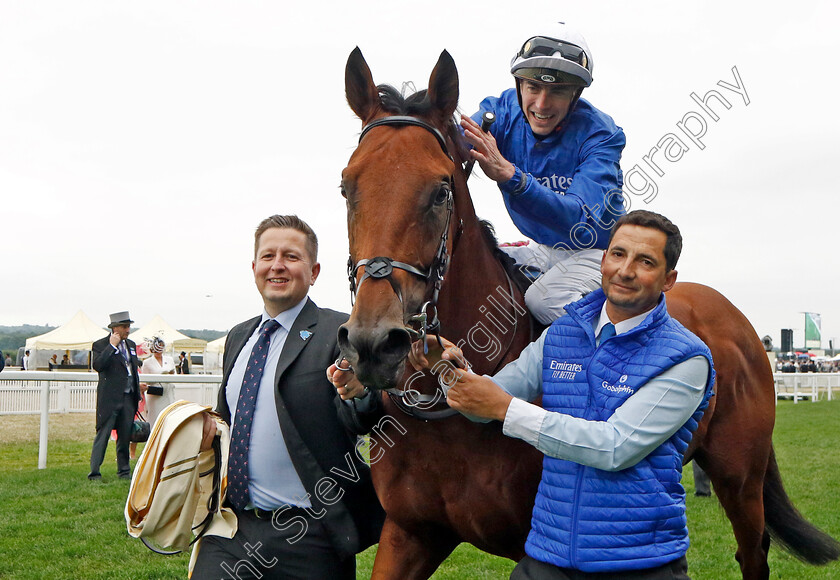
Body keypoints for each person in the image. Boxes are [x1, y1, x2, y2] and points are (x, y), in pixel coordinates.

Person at [409, 210, 714, 579]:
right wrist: (449, 369)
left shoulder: (686, 357)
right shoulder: (561, 333)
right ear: (603, 259)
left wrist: (506, 409)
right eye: (618, 254)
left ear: (668, 280)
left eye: (645, 261)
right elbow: (484, 404)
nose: (626, 270)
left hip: (637, 563)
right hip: (547, 557)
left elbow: (614, 447)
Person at [191, 215, 383, 579]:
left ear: (314, 271)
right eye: (268, 256)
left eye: (291, 257)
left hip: (309, 536)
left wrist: (357, 392)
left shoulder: (341, 330)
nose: (277, 265)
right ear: (254, 268)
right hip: (231, 530)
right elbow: (229, 419)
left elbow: (363, 417)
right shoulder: (238, 337)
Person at [462, 22, 626, 325]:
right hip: (543, 248)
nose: (541, 104)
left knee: (542, 301)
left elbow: (579, 218)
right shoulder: (500, 112)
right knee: (470, 268)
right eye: (533, 87)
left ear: (575, 94)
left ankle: (618, 347)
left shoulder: (602, 135)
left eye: (557, 91)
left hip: (599, 251)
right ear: (519, 86)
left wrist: (513, 177)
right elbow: (443, 145)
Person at [88, 311, 141, 481]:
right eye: (125, 327)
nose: (128, 330)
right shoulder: (100, 345)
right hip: (110, 399)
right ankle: (94, 472)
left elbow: (132, 369)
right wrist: (111, 347)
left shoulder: (131, 345)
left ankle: (124, 471)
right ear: (115, 328)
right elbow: (98, 365)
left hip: (128, 397)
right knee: (103, 435)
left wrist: (137, 390)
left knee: (125, 436)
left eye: (129, 326)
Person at [139, 336, 176, 426]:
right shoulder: (147, 363)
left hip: (168, 393)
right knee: (155, 420)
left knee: (168, 419)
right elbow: (145, 380)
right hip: (155, 395)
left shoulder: (169, 360)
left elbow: (174, 375)